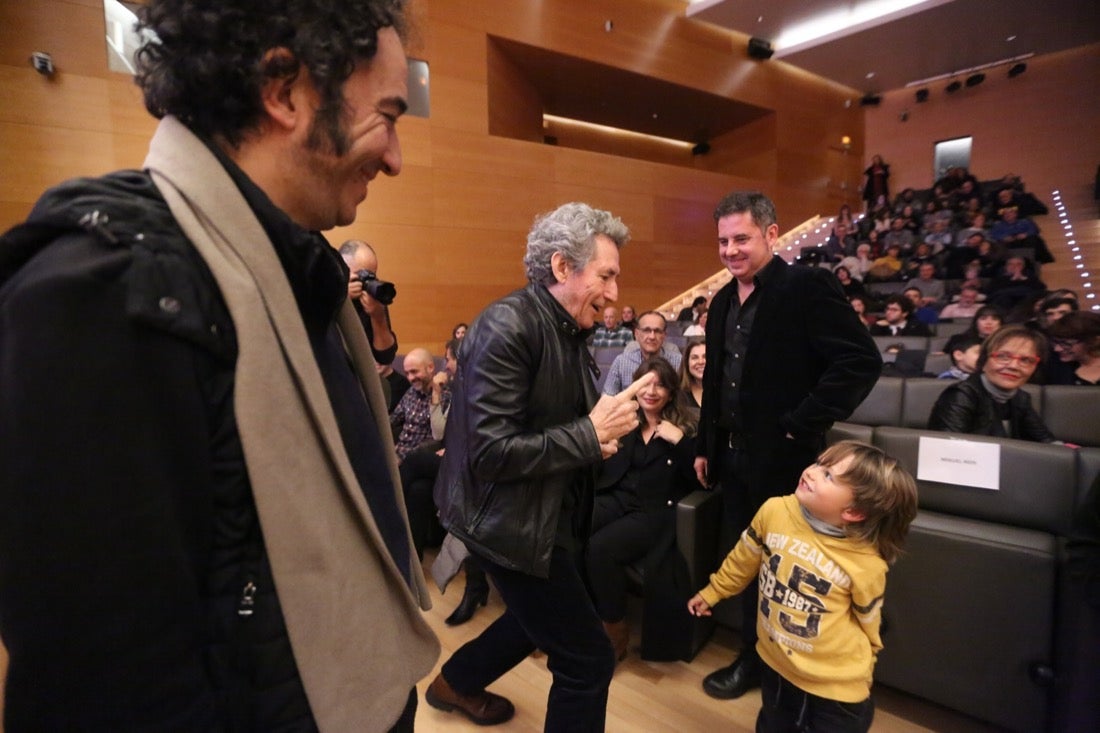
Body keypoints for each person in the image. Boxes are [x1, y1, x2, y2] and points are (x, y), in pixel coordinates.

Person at [0, 2, 437, 730]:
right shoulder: (106, 297)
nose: (394, 155)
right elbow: (109, 689)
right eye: (387, 115)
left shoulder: (298, 273)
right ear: (285, 91)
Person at [427, 202, 651, 729]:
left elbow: (554, 425)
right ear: (560, 267)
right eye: (606, 276)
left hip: (546, 514)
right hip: (508, 523)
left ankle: (454, 683)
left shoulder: (569, 328)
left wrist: (595, 430)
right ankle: (454, 683)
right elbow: (491, 452)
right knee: (587, 660)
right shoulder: (507, 326)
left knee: (536, 624)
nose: (615, 294)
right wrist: (588, 436)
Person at [694, 191, 881, 701]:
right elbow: (716, 380)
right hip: (731, 457)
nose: (730, 250)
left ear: (772, 235)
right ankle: (753, 657)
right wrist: (706, 442)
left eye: (741, 238)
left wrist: (801, 423)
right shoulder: (722, 302)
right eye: (722, 241)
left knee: (785, 566)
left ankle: (783, 667)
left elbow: (860, 362)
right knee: (748, 557)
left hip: (786, 459)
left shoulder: (806, 286)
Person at [689, 441, 918, 733]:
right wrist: (712, 592)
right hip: (775, 666)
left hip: (835, 690)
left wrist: (868, 659)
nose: (812, 472)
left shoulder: (866, 562)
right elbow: (742, 560)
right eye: (819, 464)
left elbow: (869, 621)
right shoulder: (775, 511)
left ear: (854, 511)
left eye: (829, 476)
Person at [586, 357, 698, 662]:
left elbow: (703, 479)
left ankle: (614, 630)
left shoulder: (685, 428)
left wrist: (681, 443)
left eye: (660, 384)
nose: (651, 391)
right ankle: (574, 620)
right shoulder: (626, 425)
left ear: (672, 392)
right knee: (571, 526)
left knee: (600, 548)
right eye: (645, 384)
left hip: (653, 511)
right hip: (617, 498)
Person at [928, 325, 1057, 442]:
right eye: (1003, 356)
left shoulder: (1020, 398)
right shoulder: (960, 396)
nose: (1014, 366)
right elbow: (948, 453)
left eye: (1026, 360)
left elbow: (1046, 441)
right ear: (984, 361)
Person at [340, 239, 398, 365]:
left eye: (372, 275)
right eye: (362, 275)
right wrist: (339, 296)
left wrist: (378, 317)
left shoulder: (373, 298)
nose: (368, 281)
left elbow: (385, 357)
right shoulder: (325, 290)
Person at [603, 310, 682, 394]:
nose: (652, 336)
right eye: (646, 330)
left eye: (658, 331)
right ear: (636, 334)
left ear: (664, 336)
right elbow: (607, 397)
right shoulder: (621, 362)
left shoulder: (679, 362)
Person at [391, 348, 447, 462]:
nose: (410, 378)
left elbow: (439, 435)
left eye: (414, 372)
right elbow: (393, 419)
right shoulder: (411, 391)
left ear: (430, 368)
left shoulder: (445, 395)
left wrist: (435, 393)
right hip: (396, 454)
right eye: (407, 373)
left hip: (417, 459)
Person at [1047, 311, 1100, 385]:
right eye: (1055, 342)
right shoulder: (1054, 367)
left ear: (1092, 341)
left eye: (1066, 344)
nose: (1057, 349)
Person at [679, 338, 706, 409]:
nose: (700, 362)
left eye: (706, 357)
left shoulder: (726, 391)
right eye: (695, 358)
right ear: (687, 363)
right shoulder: (677, 393)